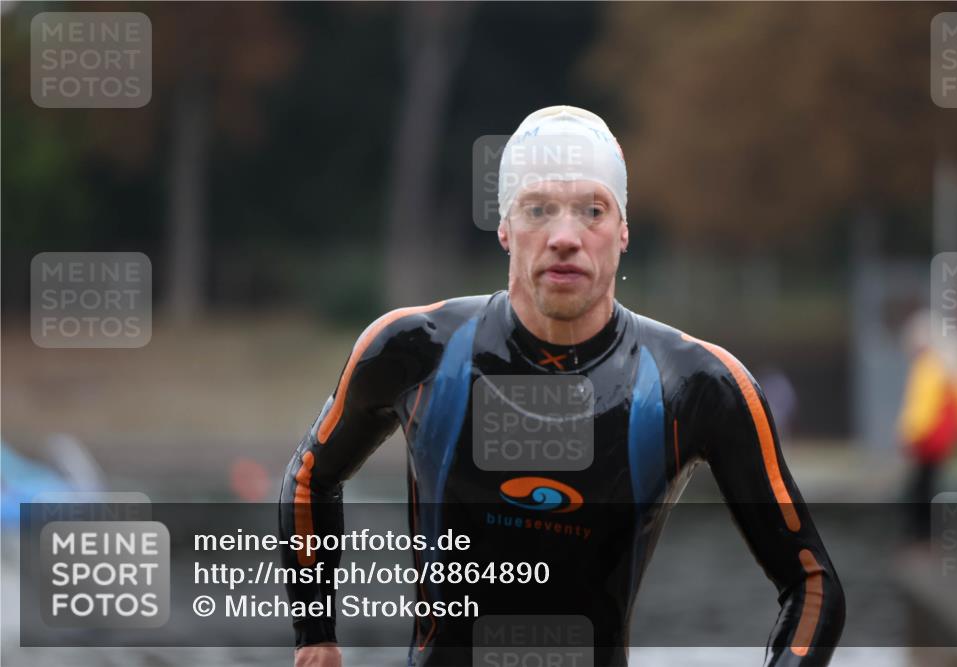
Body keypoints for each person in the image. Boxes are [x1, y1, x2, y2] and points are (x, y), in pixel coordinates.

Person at [279, 106, 845, 666]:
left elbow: (813, 583)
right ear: (504, 227)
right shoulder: (415, 349)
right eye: (539, 210)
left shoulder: (696, 384)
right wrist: (316, 639)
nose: (565, 236)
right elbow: (311, 478)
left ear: (623, 231)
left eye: (592, 211)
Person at [897, 309, 957, 539]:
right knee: (928, 484)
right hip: (944, 439)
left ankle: (920, 537)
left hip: (928, 440)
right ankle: (928, 532)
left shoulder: (929, 366)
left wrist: (908, 433)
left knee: (919, 489)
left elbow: (922, 405)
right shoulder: (954, 365)